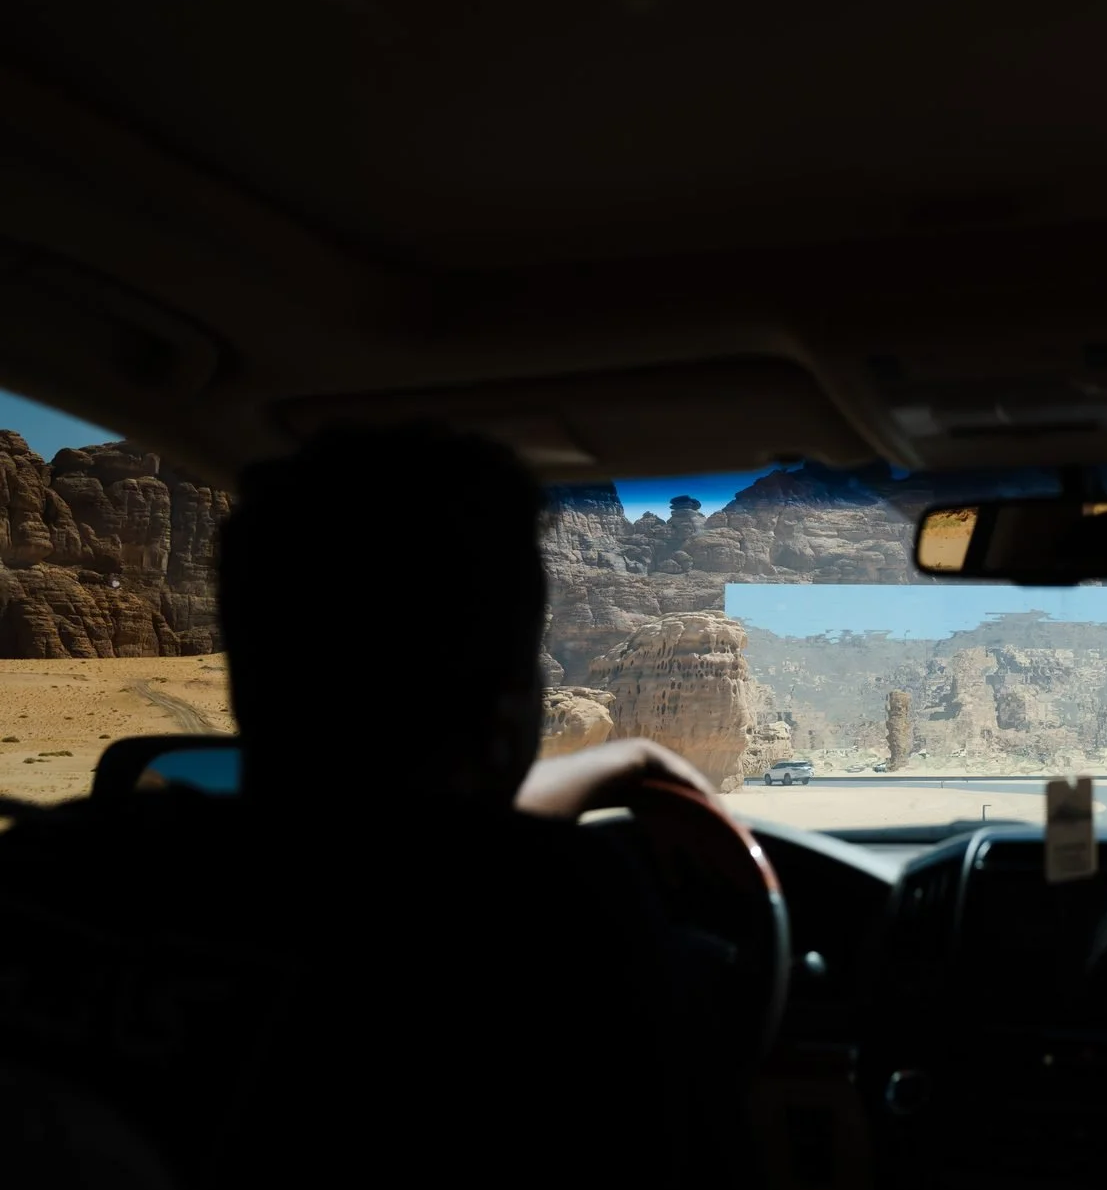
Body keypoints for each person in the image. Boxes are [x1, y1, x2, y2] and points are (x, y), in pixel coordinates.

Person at [0, 424, 730, 1188]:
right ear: (514, 710)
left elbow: (382, 842)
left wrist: (623, 760)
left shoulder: (63, 872)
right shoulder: (557, 916)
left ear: (248, 677)